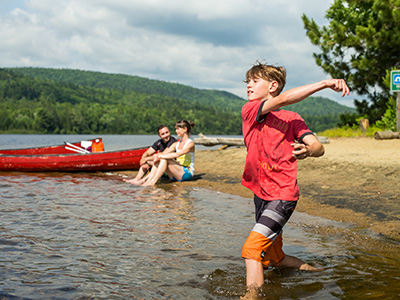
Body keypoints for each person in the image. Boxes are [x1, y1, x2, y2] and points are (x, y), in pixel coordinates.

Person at [240, 61, 350, 296]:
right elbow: (281, 100)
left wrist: (309, 150)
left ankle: (251, 296)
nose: (248, 85)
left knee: (252, 249)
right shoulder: (250, 110)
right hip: (261, 194)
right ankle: (320, 272)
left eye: (254, 81)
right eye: (247, 81)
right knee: (274, 259)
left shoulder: (292, 117)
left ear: (273, 85)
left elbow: (318, 147)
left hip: (283, 194)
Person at [139, 120, 195, 186]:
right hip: (175, 173)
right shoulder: (176, 144)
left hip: (186, 173)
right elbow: (163, 153)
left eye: (177, 129)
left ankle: (152, 182)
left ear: (185, 129)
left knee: (163, 158)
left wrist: (157, 157)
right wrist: (152, 157)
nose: (176, 131)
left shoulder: (190, 144)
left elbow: (177, 154)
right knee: (161, 158)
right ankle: (148, 180)